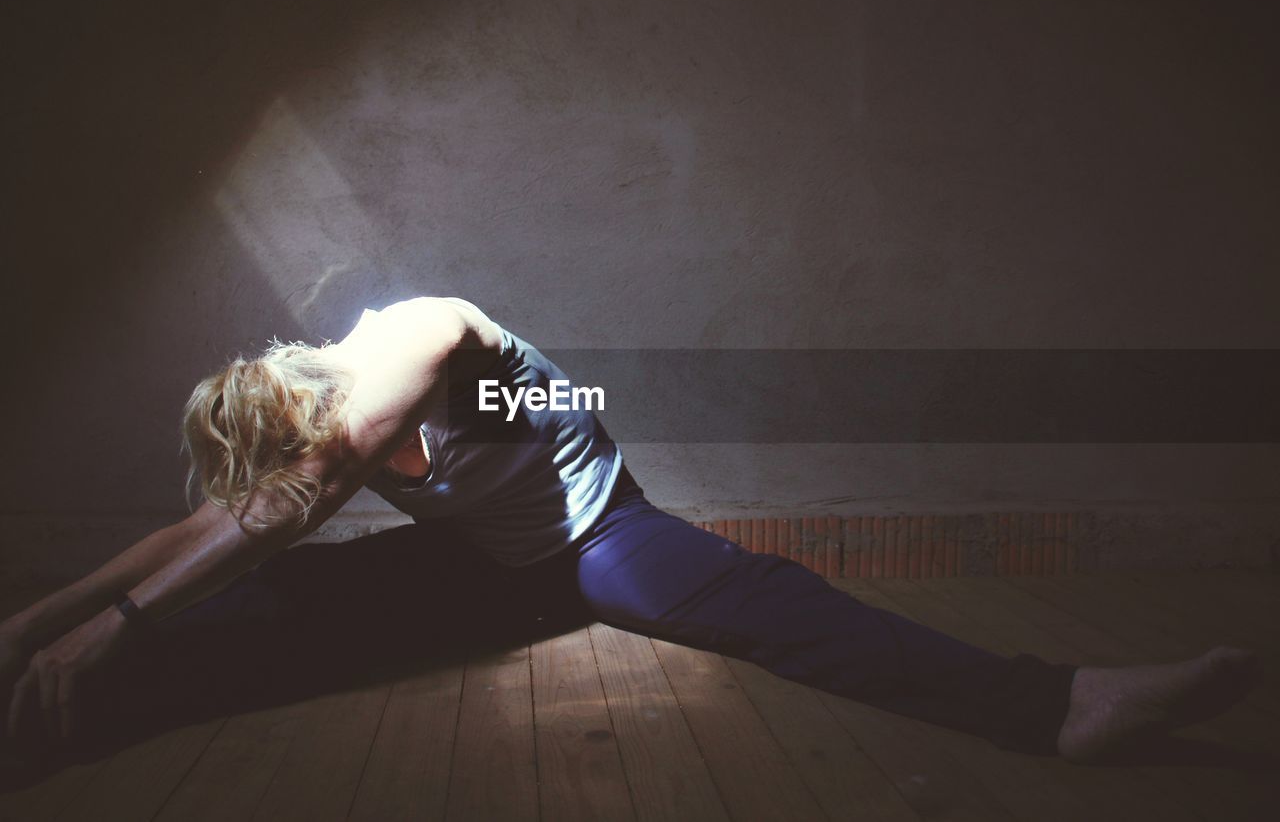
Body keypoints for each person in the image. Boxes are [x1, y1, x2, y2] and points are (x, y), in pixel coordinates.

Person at [0, 296, 1262, 767]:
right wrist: (46, 625)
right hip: (485, 559)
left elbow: (297, 498)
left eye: (319, 447)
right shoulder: (319, 440)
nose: (354, 465)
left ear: (313, 388)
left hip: (594, 538)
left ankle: (1066, 704)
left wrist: (111, 627)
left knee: (774, 607)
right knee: (250, 611)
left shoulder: (416, 330)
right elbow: (199, 537)